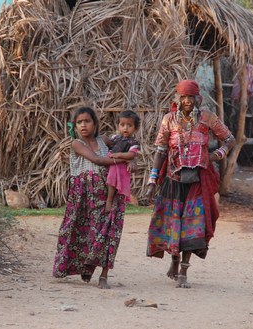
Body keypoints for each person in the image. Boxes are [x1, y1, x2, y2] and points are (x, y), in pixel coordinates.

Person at [145, 79, 235, 288]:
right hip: (174, 179)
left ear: (197, 98)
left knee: (193, 226)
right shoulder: (169, 120)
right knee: (174, 223)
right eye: (183, 97)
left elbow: (229, 139)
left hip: (199, 179)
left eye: (191, 97)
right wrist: (152, 180)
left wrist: (218, 154)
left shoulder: (207, 118)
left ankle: (184, 271)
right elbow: (160, 151)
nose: (187, 101)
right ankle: (175, 260)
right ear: (178, 98)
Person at [53, 106, 128, 289]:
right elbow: (97, 160)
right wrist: (123, 160)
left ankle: (103, 275)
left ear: (95, 124)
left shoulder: (104, 140)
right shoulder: (77, 144)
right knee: (80, 232)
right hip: (84, 197)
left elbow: (127, 145)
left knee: (109, 233)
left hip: (109, 193)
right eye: (79, 122)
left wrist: (131, 158)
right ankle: (85, 267)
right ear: (75, 126)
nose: (83, 125)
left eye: (87, 121)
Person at [105, 110, 141, 212]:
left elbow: (131, 154)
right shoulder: (114, 138)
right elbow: (107, 147)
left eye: (129, 125)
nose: (125, 128)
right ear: (118, 126)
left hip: (120, 167)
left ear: (135, 128)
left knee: (112, 177)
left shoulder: (133, 142)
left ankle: (109, 200)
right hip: (110, 162)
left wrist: (119, 155)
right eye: (122, 125)